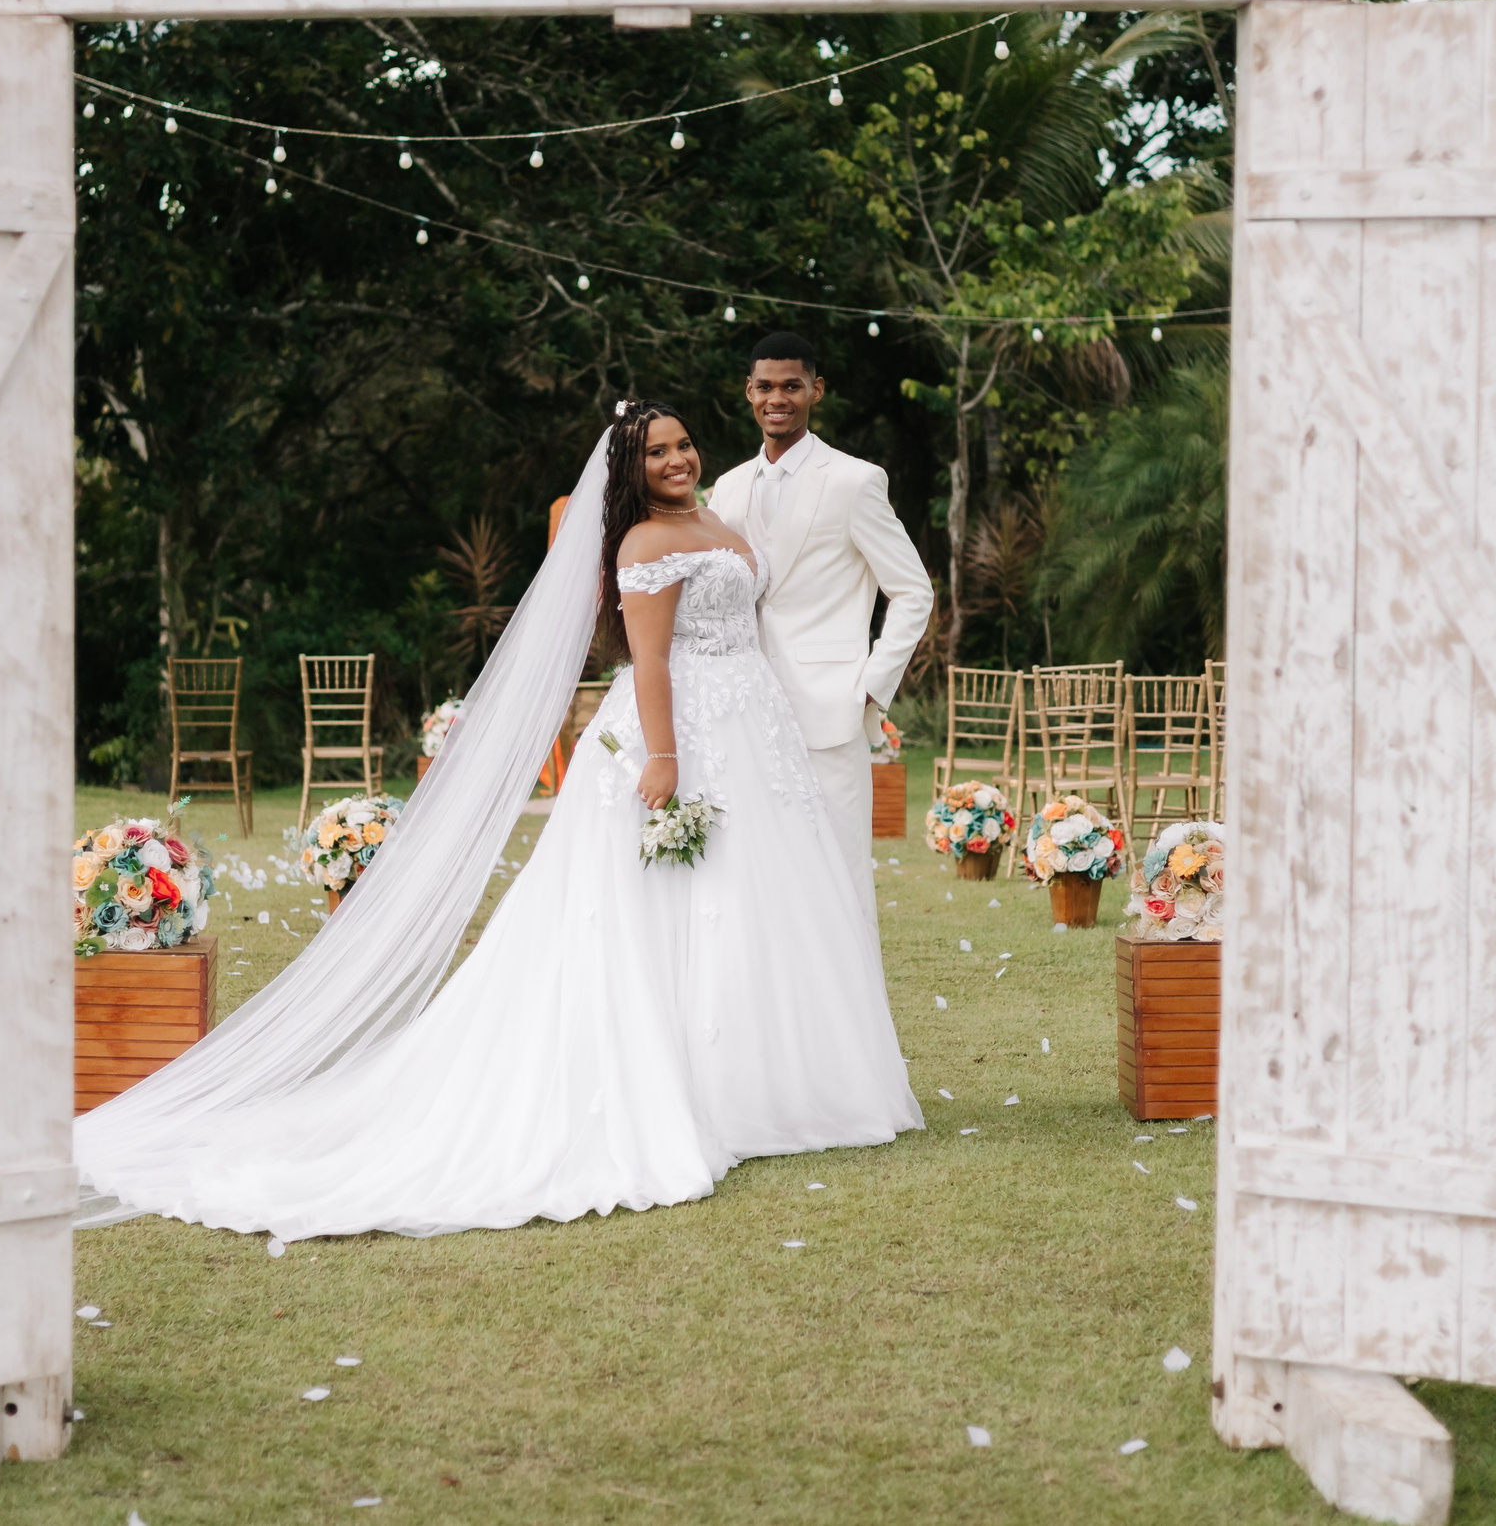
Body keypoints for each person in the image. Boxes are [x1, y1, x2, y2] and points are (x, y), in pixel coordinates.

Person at [72, 402, 921, 1242]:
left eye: (685, 444)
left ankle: (761, 1083)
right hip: (683, 732)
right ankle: (690, 1083)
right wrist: (664, 759)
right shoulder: (643, 545)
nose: (678, 460)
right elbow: (652, 659)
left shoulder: (716, 517)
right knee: (670, 905)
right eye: (657, 452)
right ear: (629, 472)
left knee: (751, 904)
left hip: (754, 727)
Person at [706, 334, 936, 899]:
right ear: (748, 392)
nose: (776, 398)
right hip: (743, 708)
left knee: (839, 876)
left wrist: (869, 687)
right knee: (755, 878)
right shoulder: (727, 489)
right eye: (765, 386)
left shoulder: (855, 481)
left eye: (791, 385)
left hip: (829, 710)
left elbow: (913, 591)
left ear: (816, 391)